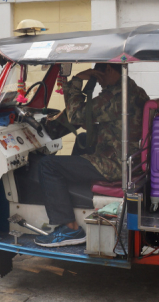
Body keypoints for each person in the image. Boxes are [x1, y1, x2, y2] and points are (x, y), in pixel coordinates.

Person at [32, 63, 149, 247]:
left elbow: (76, 115)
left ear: (109, 70)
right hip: (129, 157)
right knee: (84, 139)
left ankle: (70, 228)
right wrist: (96, 125)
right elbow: (121, 123)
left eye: (99, 77)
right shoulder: (134, 90)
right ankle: (75, 201)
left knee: (47, 165)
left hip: (115, 163)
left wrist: (78, 80)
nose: (99, 83)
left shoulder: (116, 96)